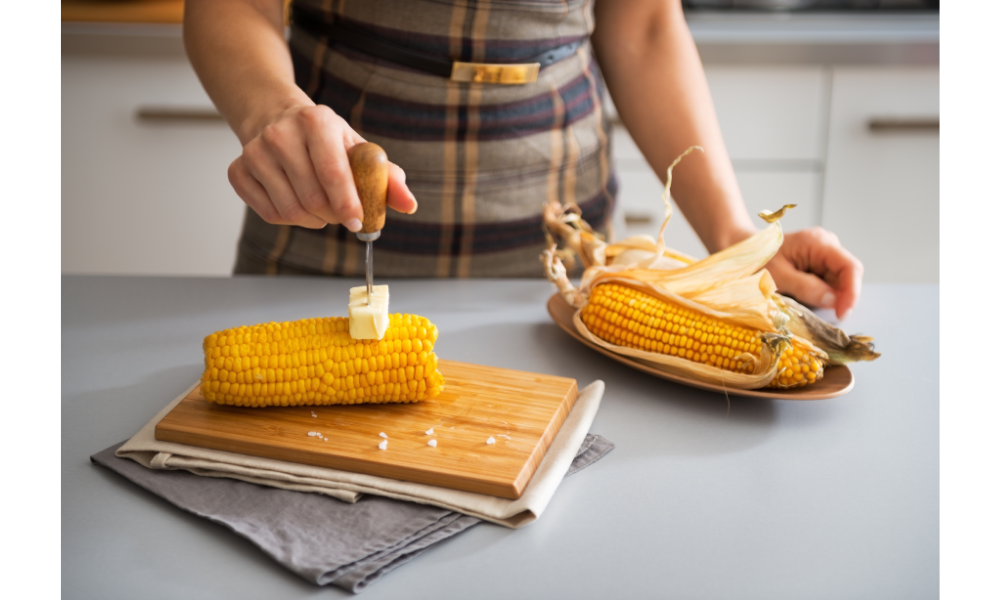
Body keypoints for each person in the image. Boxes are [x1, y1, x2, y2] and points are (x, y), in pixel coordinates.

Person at [184, 0, 863, 320]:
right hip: (322, 222)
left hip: (558, 258)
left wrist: (735, 239)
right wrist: (273, 110)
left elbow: (645, 25)